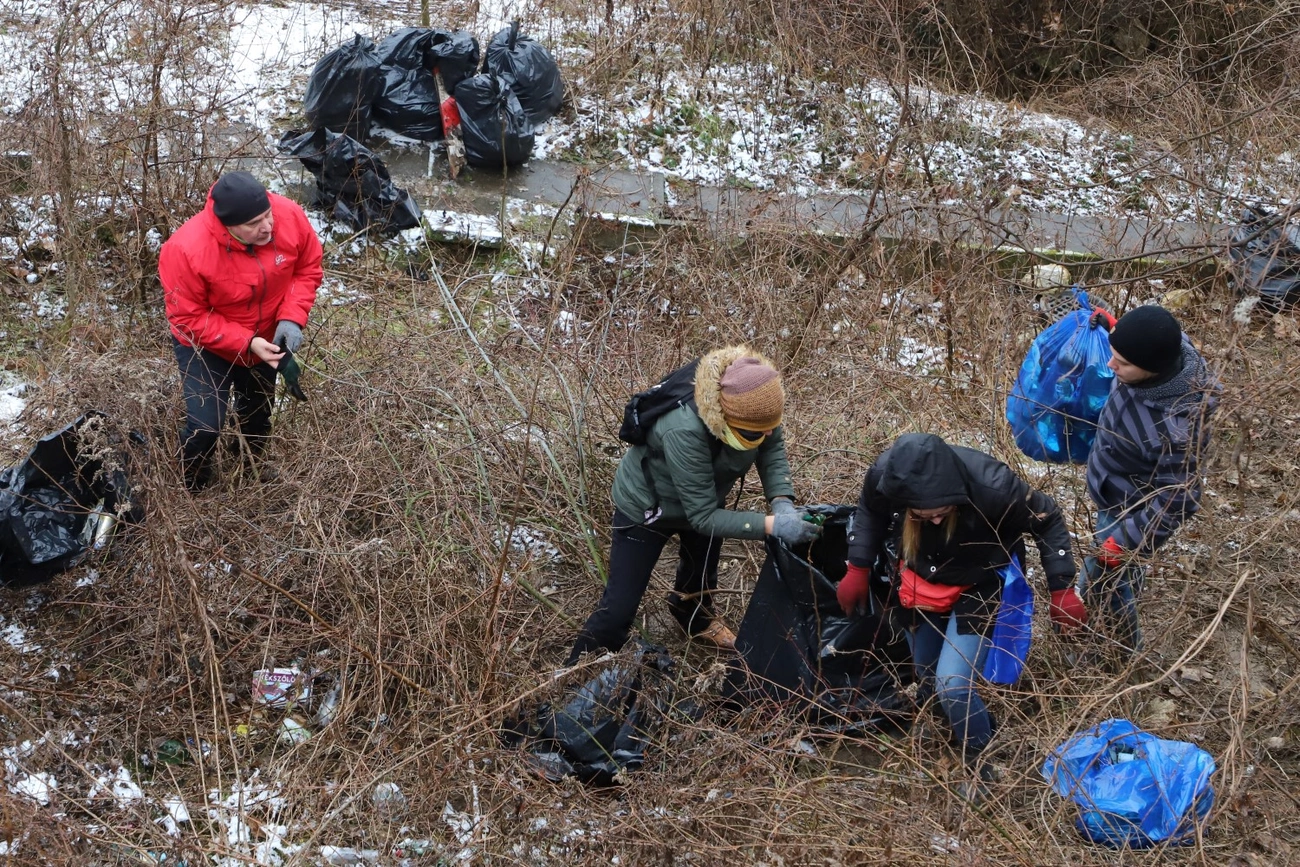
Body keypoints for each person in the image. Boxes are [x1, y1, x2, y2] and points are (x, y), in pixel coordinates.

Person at [834, 433, 1085, 784]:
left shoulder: (993, 485)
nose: (935, 520)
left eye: (942, 512)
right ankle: (951, 731)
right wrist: (857, 566)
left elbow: (1048, 518)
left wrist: (1062, 587)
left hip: (979, 581)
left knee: (952, 684)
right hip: (922, 576)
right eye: (923, 515)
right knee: (926, 672)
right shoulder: (885, 476)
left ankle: (982, 759)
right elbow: (869, 515)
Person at [566, 346, 821, 665]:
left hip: (706, 497)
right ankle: (574, 676)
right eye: (756, 432)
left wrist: (782, 500)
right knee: (618, 610)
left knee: (701, 578)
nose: (768, 433)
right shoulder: (683, 427)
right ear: (725, 417)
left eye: (771, 426)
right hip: (648, 508)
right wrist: (771, 526)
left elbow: (772, 448)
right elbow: (702, 517)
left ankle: (694, 618)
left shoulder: (759, 402)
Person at [158, 172, 323, 490]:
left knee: (258, 415)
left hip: (266, 335)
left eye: (267, 215)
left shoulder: (288, 214)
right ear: (227, 226)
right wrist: (247, 342)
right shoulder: (185, 250)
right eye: (254, 224)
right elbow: (187, 318)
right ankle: (191, 484)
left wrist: (291, 317)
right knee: (206, 426)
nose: (267, 227)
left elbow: (308, 267)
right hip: (206, 345)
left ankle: (249, 470)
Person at [1082, 304, 1220, 662]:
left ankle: (1124, 653)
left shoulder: (1174, 430)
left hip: (1128, 511)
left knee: (1100, 585)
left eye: (1122, 363)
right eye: (1115, 355)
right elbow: (1153, 336)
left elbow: (1180, 499)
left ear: (1153, 369)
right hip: (1113, 483)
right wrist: (1117, 328)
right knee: (1120, 578)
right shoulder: (1172, 351)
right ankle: (1131, 577)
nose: (1111, 366)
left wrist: (1124, 541)